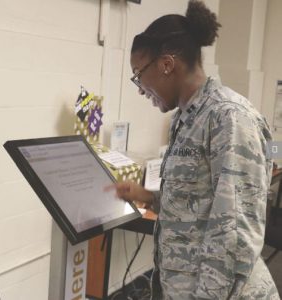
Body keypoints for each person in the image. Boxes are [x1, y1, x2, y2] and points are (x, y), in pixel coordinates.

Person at [108, 0, 280, 299]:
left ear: (166, 64)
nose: (139, 87)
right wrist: (148, 198)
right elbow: (198, 203)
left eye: (138, 74)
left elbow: (235, 236)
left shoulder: (229, 118)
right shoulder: (186, 119)